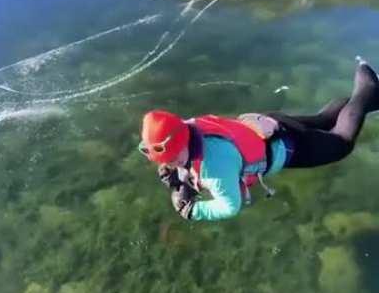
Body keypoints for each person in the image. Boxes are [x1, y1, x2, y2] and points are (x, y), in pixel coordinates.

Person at [138, 58, 379, 222]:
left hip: (288, 146)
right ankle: (369, 99)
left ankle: (367, 87)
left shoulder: (214, 169)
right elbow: (186, 152)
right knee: (324, 119)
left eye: (170, 158)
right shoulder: (187, 125)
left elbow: (230, 206)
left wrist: (193, 210)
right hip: (267, 124)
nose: (169, 163)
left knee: (342, 141)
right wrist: (181, 177)